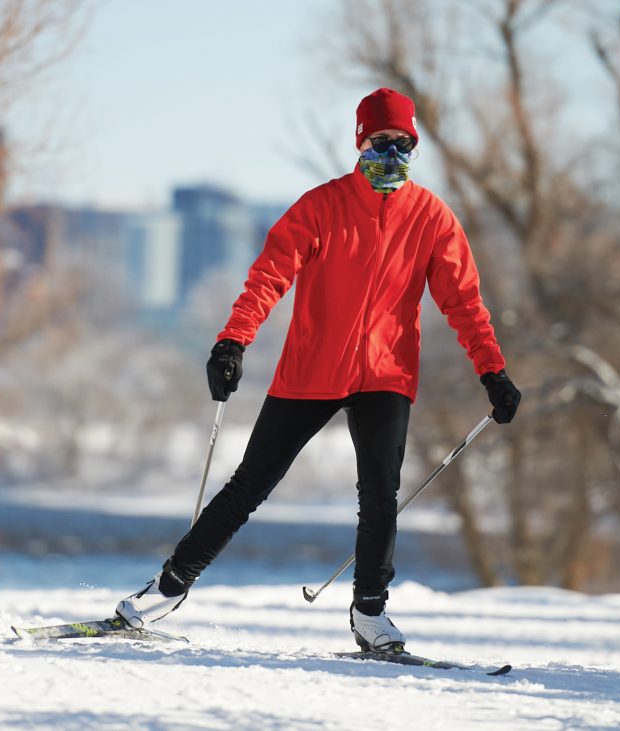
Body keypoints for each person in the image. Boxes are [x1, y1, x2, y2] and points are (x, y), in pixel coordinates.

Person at [114, 88, 522, 652]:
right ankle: (166, 589)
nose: (394, 155)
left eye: (405, 144)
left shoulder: (432, 219)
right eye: (382, 143)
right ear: (360, 141)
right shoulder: (322, 206)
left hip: (386, 373)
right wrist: (233, 341)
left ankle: (371, 614)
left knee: (380, 493)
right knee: (249, 486)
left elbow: (465, 302)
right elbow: (268, 277)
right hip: (311, 369)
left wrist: (492, 371)